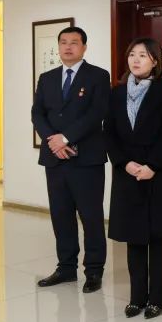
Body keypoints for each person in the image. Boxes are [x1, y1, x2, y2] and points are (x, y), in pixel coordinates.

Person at [105, 37, 162, 319]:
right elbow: (109, 133)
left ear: (155, 61)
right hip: (127, 174)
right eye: (132, 55)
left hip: (157, 173)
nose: (135, 60)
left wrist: (152, 165)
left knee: (159, 237)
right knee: (134, 237)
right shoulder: (116, 93)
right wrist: (124, 163)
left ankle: (157, 298)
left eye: (142, 55)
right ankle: (137, 297)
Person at [32, 26, 111, 293]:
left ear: (84, 47)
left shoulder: (98, 76)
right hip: (55, 159)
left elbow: (97, 112)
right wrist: (52, 141)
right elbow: (37, 113)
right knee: (61, 215)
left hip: (86, 159)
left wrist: (65, 138)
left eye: (74, 42)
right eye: (63, 42)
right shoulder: (47, 78)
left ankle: (94, 271)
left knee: (91, 216)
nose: (68, 47)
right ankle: (66, 267)